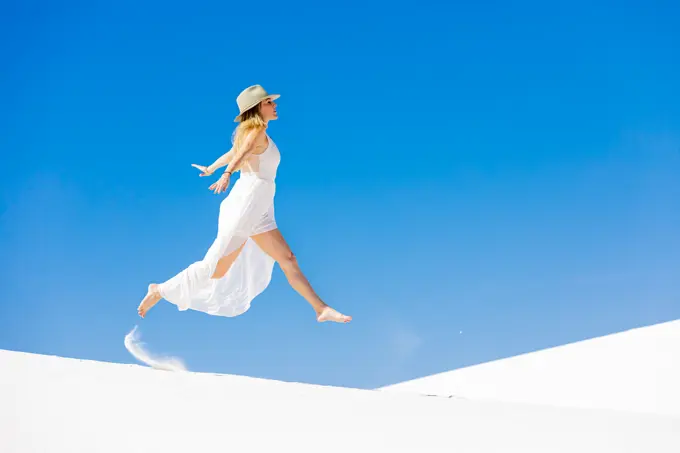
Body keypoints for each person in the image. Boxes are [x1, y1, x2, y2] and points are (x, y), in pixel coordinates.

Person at [136, 85, 352, 324]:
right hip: (248, 201)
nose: (275, 105)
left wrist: (212, 168)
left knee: (288, 258)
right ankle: (159, 289)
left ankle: (320, 308)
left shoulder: (258, 133)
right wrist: (226, 173)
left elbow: (233, 152)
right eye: (269, 102)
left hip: (261, 203)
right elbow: (243, 152)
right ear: (258, 107)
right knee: (216, 268)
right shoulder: (257, 131)